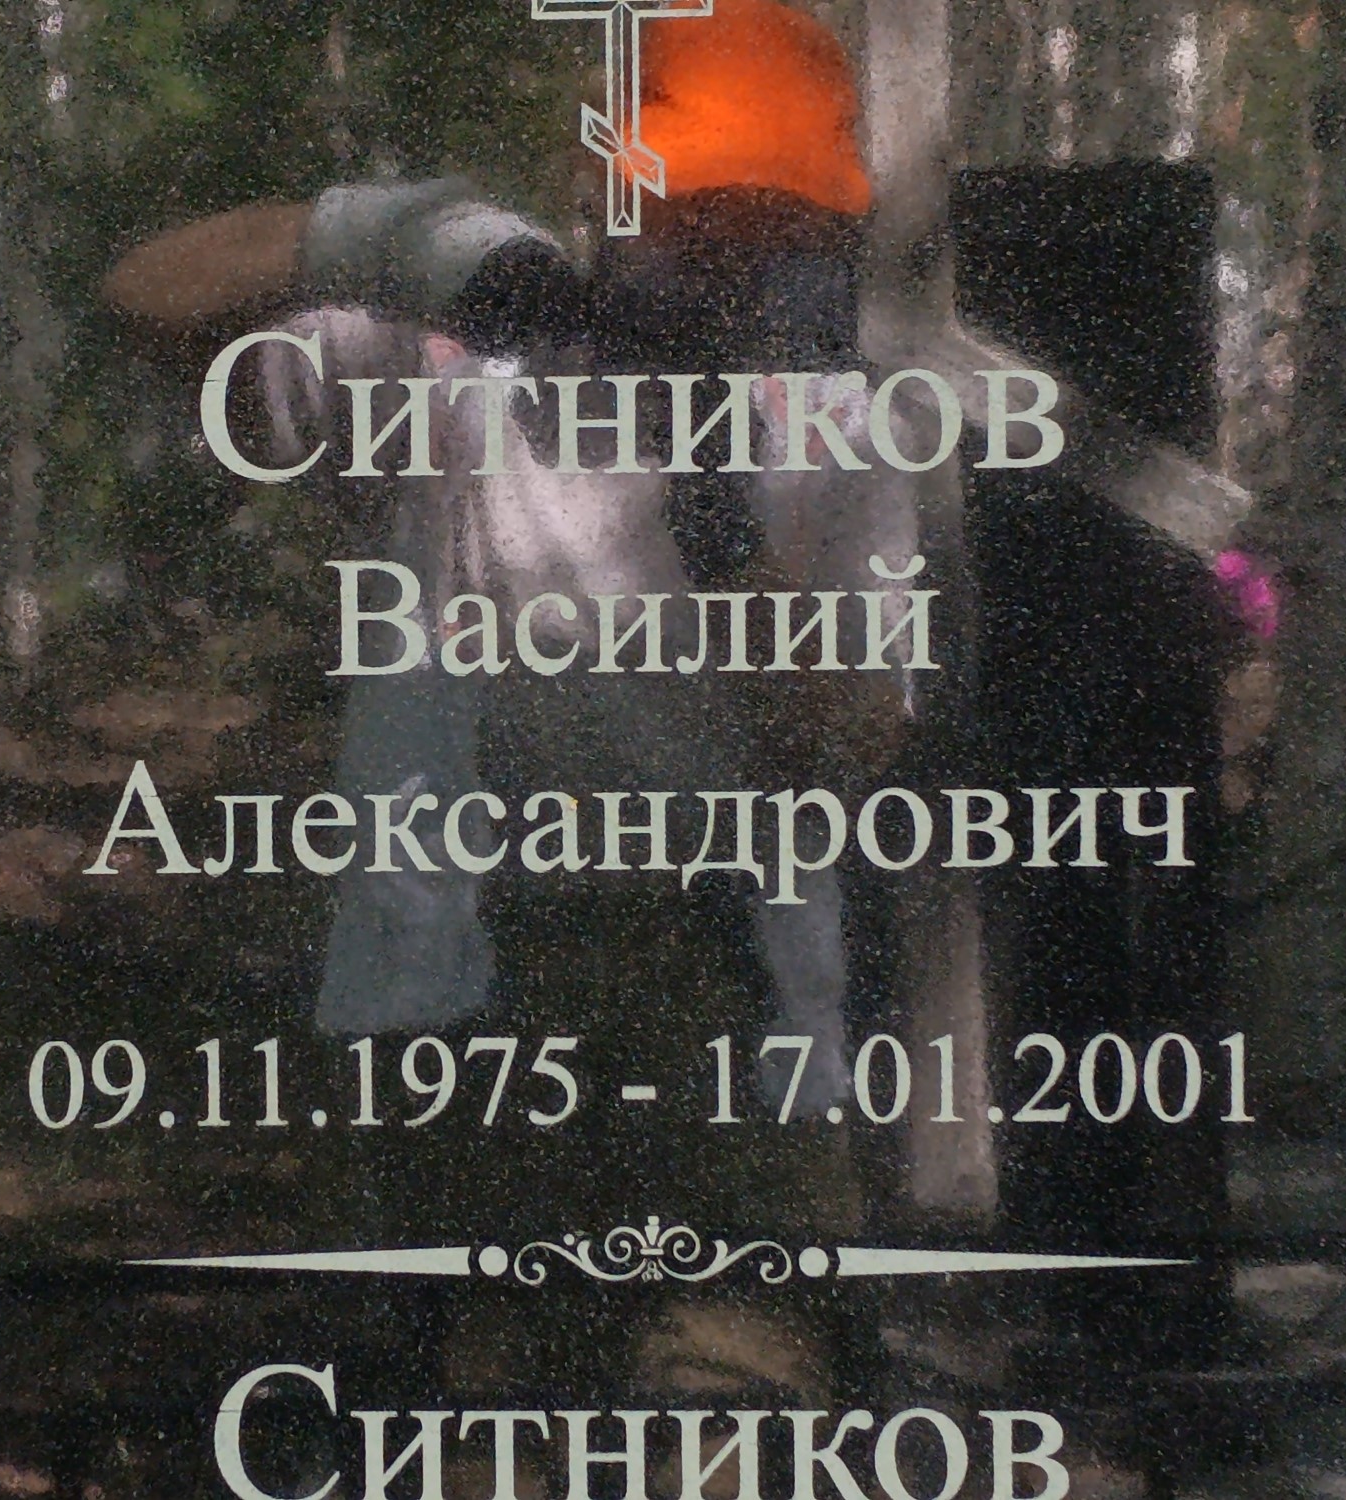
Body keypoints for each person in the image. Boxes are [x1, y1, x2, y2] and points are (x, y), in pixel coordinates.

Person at [109, 0, 928, 1434]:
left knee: (737, 1426)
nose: (727, 256)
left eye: (764, 222)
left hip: (724, 989)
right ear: (615, 196)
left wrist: (721, 523)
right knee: (479, 1426)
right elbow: (145, 298)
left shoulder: (843, 429)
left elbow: (861, 738)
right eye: (698, 213)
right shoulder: (453, 375)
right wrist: (400, 239)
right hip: (464, 983)